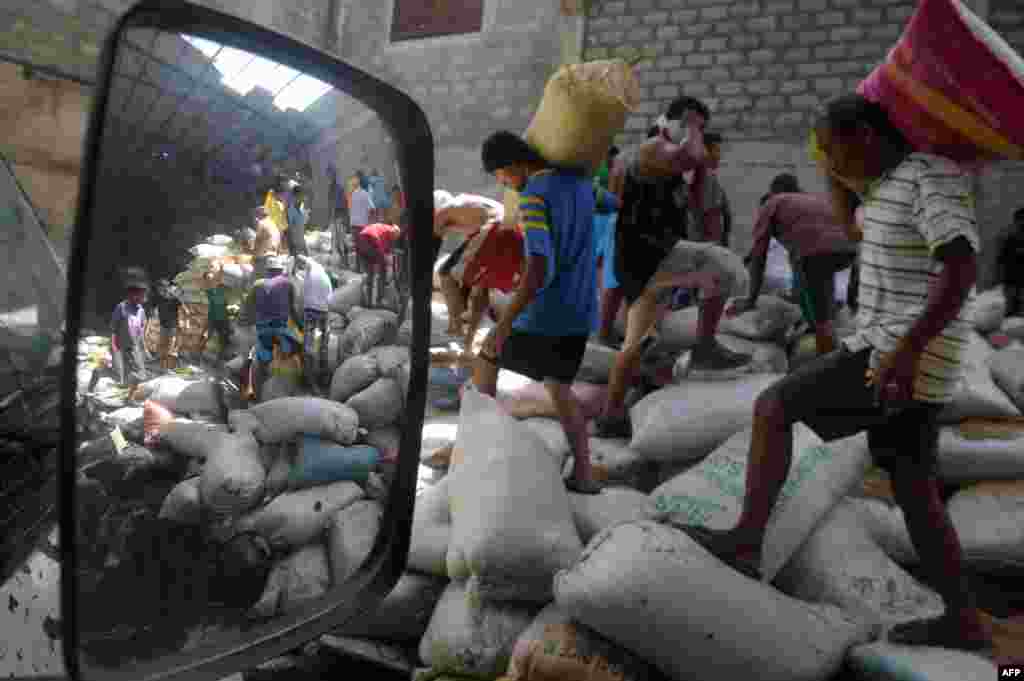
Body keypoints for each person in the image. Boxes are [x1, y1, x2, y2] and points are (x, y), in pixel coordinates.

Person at [682, 93, 991, 652]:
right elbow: (852, 229)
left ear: (866, 137)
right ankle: (964, 619)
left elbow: (961, 266)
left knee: (774, 407)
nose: (828, 159)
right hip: (898, 352)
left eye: (832, 148)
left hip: (898, 353)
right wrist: (833, 173)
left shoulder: (931, 176)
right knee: (915, 490)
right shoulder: (887, 186)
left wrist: (905, 352)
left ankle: (748, 541)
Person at [594, 97, 752, 438]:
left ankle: (610, 414)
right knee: (725, 267)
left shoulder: (646, 160)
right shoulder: (654, 147)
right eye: (694, 125)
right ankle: (705, 347)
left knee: (634, 344)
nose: (697, 135)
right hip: (650, 256)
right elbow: (692, 155)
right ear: (674, 121)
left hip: (640, 263)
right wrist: (694, 126)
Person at [471, 130, 604, 494]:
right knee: (560, 388)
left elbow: (538, 269)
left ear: (512, 165)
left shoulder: (532, 197)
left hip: (547, 312)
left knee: (487, 355)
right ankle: (584, 473)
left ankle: (475, 452)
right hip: (581, 311)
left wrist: (505, 324)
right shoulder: (580, 184)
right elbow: (610, 202)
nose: (503, 184)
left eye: (500, 177)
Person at [729, 173, 858, 355]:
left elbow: (758, 257)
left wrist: (751, 300)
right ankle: (828, 340)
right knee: (823, 310)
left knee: (821, 321)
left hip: (817, 254)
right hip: (848, 252)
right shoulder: (811, 201)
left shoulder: (772, 203)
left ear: (773, 193)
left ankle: (827, 366)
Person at [433, 190, 506, 338]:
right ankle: (468, 330)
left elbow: (434, 242)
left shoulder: (443, 211)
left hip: (493, 228)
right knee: (478, 282)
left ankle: (456, 326)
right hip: (506, 228)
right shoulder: (465, 206)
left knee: (445, 273)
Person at [240, 256, 299, 403]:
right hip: (280, 330)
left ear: (267, 270)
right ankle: (288, 394)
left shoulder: (257, 284)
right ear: (281, 270)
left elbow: (248, 307)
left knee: (262, 361)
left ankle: (257, 396)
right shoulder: (288, 284)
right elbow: (293, 309)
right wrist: (300, 327)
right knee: (291, 355)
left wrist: (244, 322)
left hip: (263, 330)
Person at [296, 255, 333, 394]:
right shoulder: (324, 275)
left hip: (311, 311)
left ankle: (309, 381)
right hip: (324, 311)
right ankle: (324, 376)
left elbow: (301, 299)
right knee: (323, 344)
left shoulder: (309, 274)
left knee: (309, 346)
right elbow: (330, 298)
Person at [110, 268, 151, 390]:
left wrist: (145, 349)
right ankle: (127, 393)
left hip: (134, 348)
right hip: (121, 348)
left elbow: (141, 332)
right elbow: (113, 328)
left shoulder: (141, 311)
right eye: (142, 294)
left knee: (141, 376)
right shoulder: (121, 308)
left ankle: (130, 391)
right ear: (133, 295)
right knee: (124, 378)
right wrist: (114, 347)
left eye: (145, 294)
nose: (144, 297)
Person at [355, 222, 402, 307]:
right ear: (395, 233)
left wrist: (386, 256)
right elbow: (382, 248)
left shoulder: (384, 227)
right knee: (382, 271)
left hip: (361, 240)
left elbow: (386, 248)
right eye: (395, 237)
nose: (395, 240)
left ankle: (368, 301)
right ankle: (379, 300)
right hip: (370, 240)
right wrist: (386, 261)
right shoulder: (390, 231)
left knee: (370, 274)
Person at [998, 207, 1024, 317]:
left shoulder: (1009, 240)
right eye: (1020, 221)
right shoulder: (1009, 240)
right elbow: (1001, 261)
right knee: (1009, 310)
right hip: (1010, 280)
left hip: (1017, 281)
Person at [202, 269, 232, 361]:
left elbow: (228, 299)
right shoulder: (207, 291)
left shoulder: (222, 287)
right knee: (207, 336)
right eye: (208, 278)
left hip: (224, 317)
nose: (210, 280)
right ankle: (199, 352)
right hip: (212, 317)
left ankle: (220, 357)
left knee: (224, 339)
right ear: (206, 280)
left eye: (211, 277)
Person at [152, 279, 181, 371]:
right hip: (163, 326)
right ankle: (162, 366)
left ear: (166, 288)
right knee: (162, 346)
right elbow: (153, 308)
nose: (159, 291)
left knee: (170, 348)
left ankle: (170, 367)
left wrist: (184, 322)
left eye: (161, 289)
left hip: (173, 326)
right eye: (158, 289)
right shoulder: (159, 298)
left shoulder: (174, 299)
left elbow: (185, 309)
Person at [349, 180, 376, 270]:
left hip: (354, 224)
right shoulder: (365, 194)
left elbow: (351, 209)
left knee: (357, 249)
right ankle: (365, 269)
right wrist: (371, 221)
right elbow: (372, 208)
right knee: (364, 249)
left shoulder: (353, 194)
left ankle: (358, 268)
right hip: (362, 225)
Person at [252, 206, 281, 282]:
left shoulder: (262, 223)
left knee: (254, 283)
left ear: (259, 215)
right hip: (275, 258)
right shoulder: (274, 225)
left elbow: (258, 240)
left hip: (264, 258)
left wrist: (254, 255)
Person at [285, 183, 309, 257]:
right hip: (294, 246)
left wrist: (304, 246)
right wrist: (292, 247)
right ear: (295, 196)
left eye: (303, 196)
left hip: (301, 243)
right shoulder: (290, 210)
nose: (303, 198)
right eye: (301, 196)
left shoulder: (301, 210)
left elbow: (301, 229)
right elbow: (288, 230)